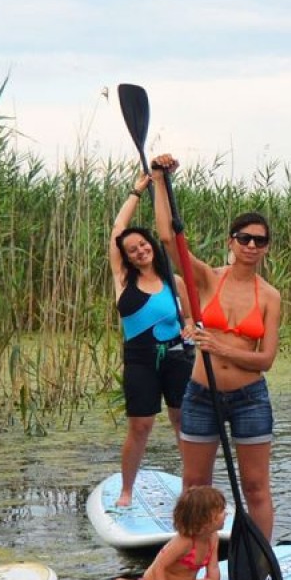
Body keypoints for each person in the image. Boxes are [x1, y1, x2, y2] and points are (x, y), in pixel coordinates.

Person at [148, 154, 281, 540]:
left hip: (250, 398)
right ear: (231, 242)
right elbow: (169, 239)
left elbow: (266, 360)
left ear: (266, 248)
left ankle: (262, 560)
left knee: (255, 488)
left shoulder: (270, 296)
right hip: (201, 395)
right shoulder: (207, 279)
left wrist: (220, 349)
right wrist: (160, 180)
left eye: (260, 240)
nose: (251, 245)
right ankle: (192, 559)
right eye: (245, 238)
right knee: (194, 488)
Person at [109, 171, 193, 509]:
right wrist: (137, 190)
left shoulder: (174, 282)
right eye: (132, 250)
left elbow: (190, 318)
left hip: (177, 358)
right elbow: (118, 230)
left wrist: (190, 326)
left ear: (151, 247)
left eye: (143, 245)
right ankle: (127, 491)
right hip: (140, 361)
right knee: (141, 426)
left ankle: (191, 488)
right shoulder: (122, 279)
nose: (139, 250)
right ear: (127, 256)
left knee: (183, 423)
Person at [110, 485, 226, 580]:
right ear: (205, 519)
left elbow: (213, 568)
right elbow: (159, 567)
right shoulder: (183, 542)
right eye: (221, 511)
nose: (226, 513)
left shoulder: (213, 537)